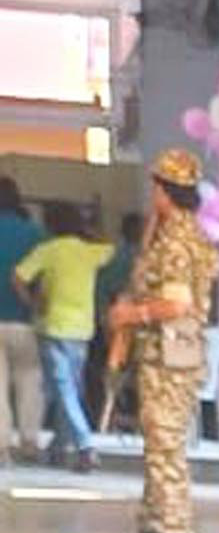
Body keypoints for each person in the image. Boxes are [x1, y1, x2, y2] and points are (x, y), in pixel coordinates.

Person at [101, 148, 217, 533]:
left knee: (166, 451)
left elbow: (177, 304)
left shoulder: (176, 241)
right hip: (166, 357)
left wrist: (132, 315)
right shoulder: (179, 233)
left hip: (170, 360)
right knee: (157, 449)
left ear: (164, 191)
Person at [15, 199, 113, 470]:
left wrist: (33, 303)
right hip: (82, 330)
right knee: (70, 389)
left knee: (63, 389)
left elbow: (18, 276)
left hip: (55, 326)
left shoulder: (48, 250)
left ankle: (85, 445)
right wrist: (89, 229)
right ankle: (59, 448)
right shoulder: (90, 251)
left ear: (50, 225)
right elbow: (111, 248)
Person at [0, 176, 44, 459]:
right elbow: (44, 276)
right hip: (24, 319)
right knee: (29, 379)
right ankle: (29, 439)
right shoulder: (34, 233)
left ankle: (1, 445)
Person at [89, 209, 144, 432]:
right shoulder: (146, 259)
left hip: (116, 327)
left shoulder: (115, 256)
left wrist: (104, 319)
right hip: (136, 327)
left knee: (109, 374)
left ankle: (107, 417)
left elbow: (101, 291)